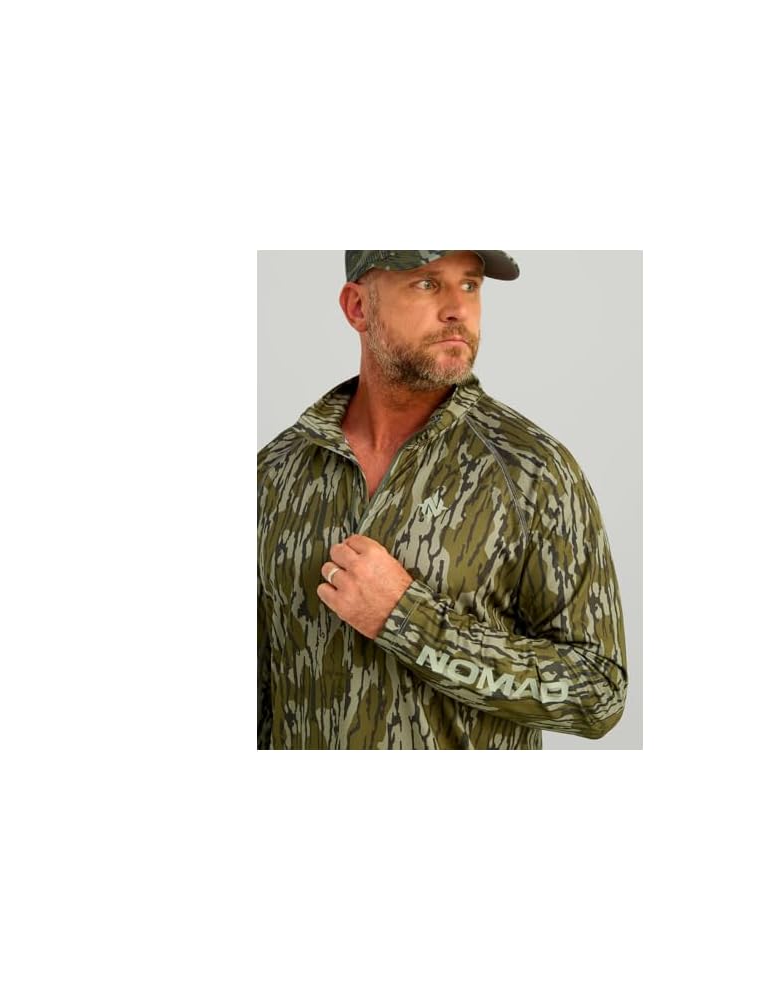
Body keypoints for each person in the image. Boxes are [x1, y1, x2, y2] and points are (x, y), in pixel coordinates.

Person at [258, 250, 627, 749]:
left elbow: (598, 692)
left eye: (470, 285)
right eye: (428, 284)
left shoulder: (531, 471)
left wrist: (408, 620)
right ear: (358, 308)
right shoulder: (275, 472)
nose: (458, 309)